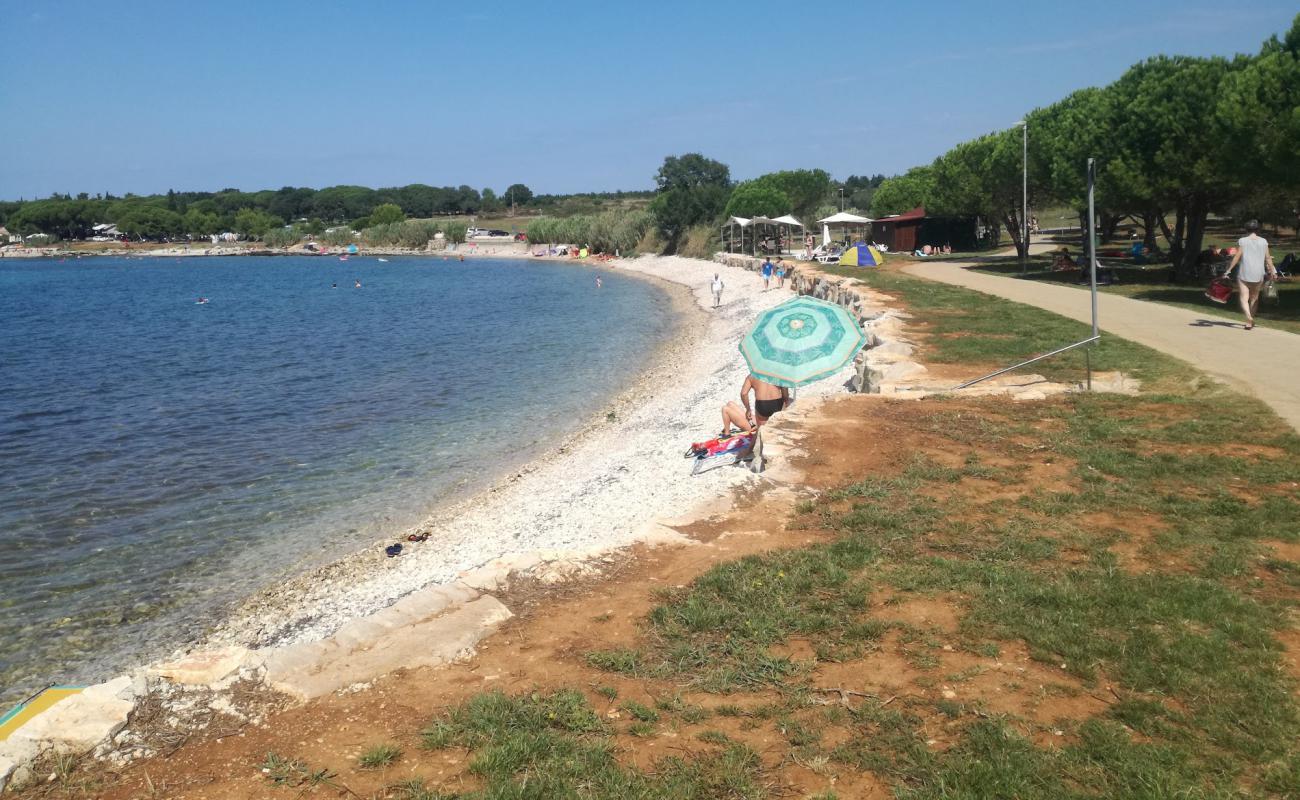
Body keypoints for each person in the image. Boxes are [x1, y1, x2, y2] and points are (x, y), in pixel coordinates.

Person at [1223, 220, 1277, 330]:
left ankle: (1248, 318)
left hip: (1244, 272)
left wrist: (1228, 270)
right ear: (1258, 229)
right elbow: (1268, 258)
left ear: (1246, 229)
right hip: (1258, 273)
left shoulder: (1242, 240)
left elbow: (1237, 256)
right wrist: (1273, 271)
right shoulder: (1263, 241)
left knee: (1244, 298)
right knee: (1254, 298)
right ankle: (1250, 320)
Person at [720, 374, 789, 436]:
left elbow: (743, 393)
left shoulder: (752, 376)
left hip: (760, 409)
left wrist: (748, 409)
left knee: (725, 409)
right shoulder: (778, 375)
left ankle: (727, 432)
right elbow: (785, 396)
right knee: (730, 404)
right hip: (777, 404)